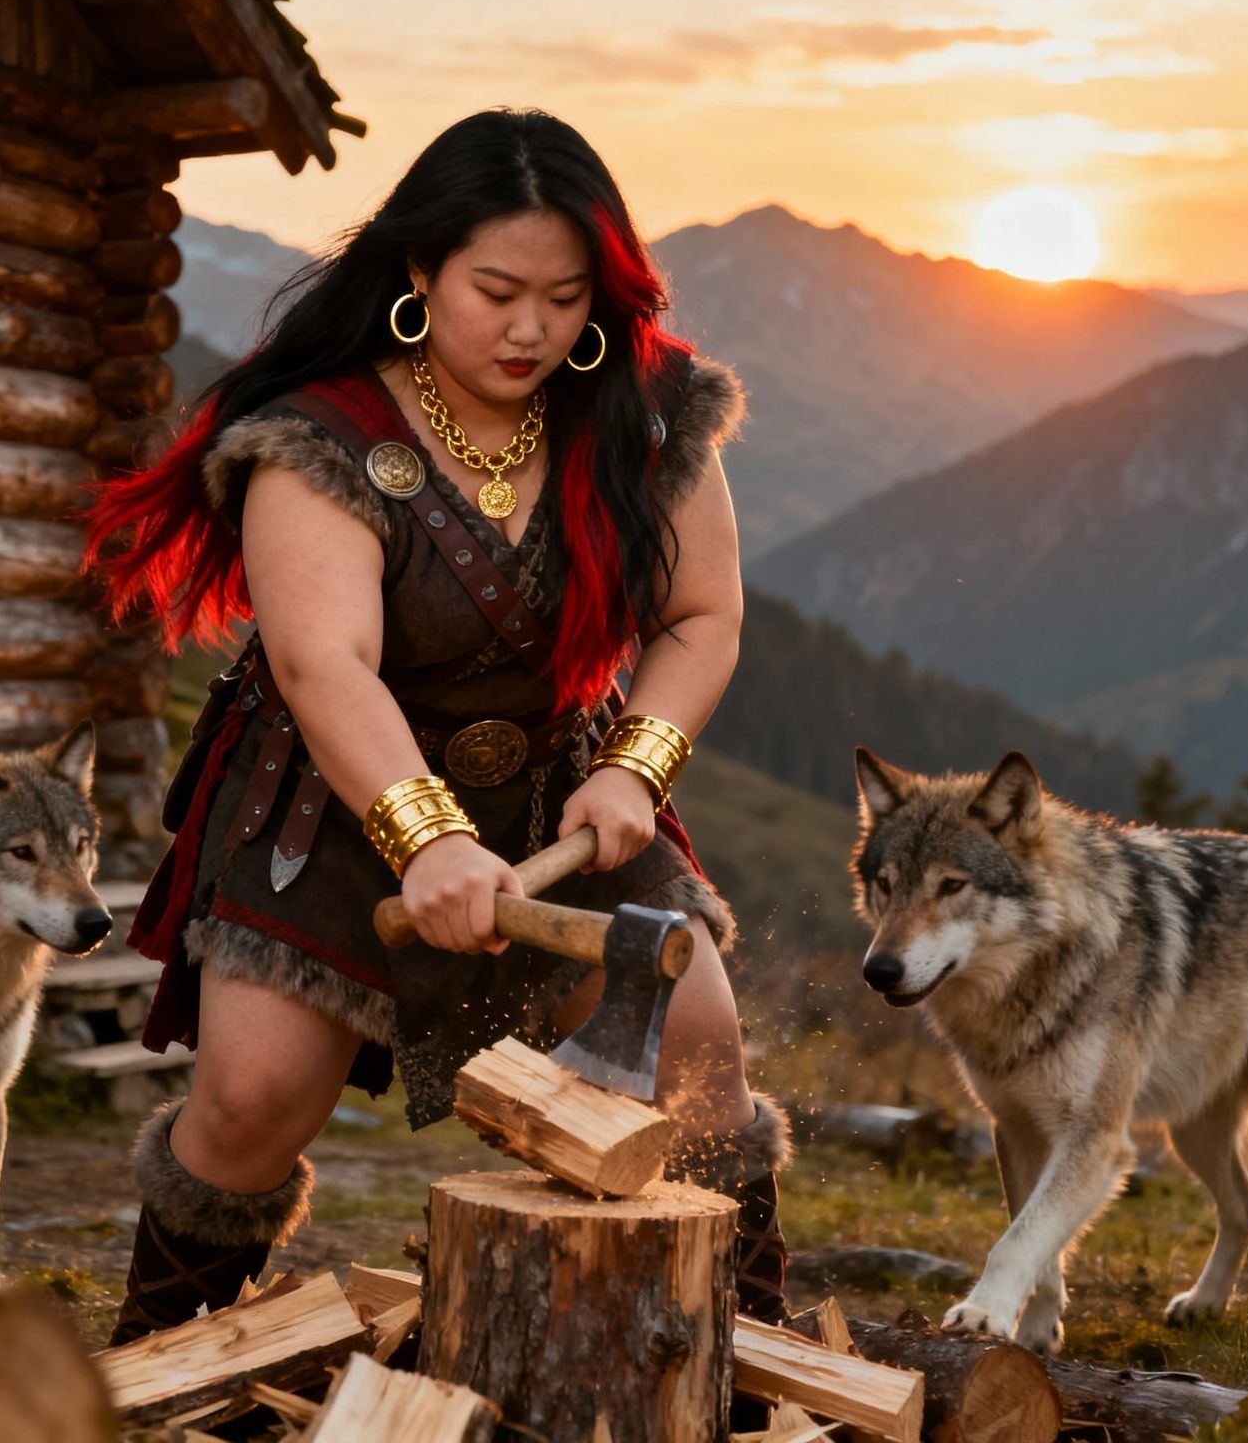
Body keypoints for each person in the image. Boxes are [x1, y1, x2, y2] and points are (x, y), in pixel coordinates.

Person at [85, 108, 791, 1346]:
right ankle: (152, 1379)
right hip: (328, 799)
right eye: (497, 290)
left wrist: (639, 764)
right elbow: (324, 662)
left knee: (699, 1056)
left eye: (567, 298)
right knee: (248, 1106)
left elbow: (702, 619)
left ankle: (749, 1366)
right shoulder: (319, 433)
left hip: (561, 785)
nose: (531, 329)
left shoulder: (645, 407)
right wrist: (424, 839)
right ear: (419, 271)